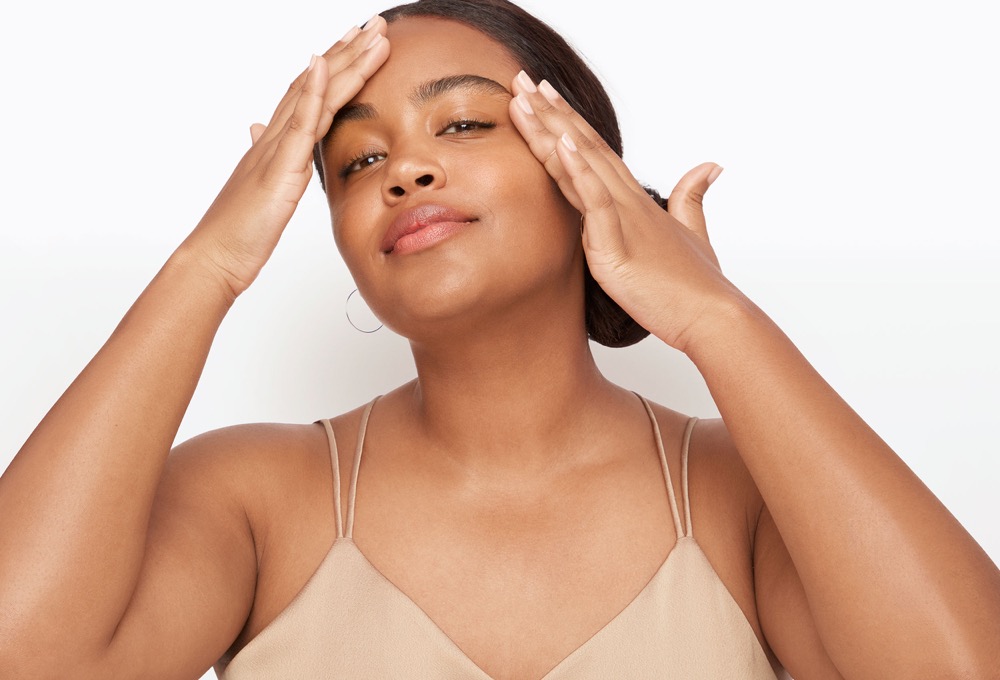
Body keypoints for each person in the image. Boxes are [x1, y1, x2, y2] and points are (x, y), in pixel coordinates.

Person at [1, 0, 998, 678]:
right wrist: (208, 263)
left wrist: (715, 318)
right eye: (357, 161)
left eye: (463, 126)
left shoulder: (747, 495)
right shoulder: (255, 497)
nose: (404, 172)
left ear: (585, 172)